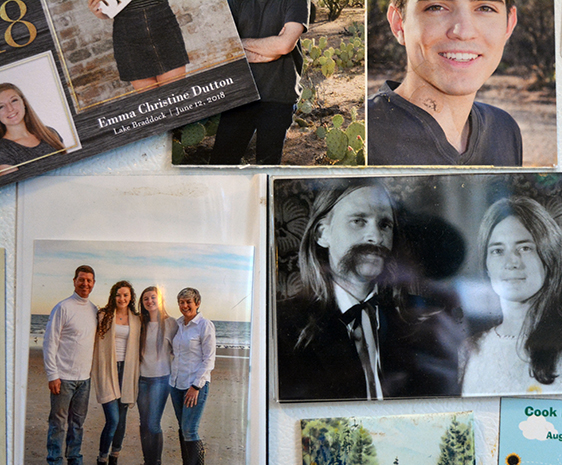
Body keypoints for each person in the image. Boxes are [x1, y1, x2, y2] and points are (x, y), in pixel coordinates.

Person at [277, 182, 463, 402]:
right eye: (358, 221)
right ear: (322, 234)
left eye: (385, 225)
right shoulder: (284, 326)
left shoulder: (417, 319)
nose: (375, 237)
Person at [460, 196, 562, 395]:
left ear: (549, 256)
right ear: (486, 264)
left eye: (525, 248)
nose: (512, 262)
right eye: (497, 250)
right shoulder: (473, 349)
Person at [367, 0, 522, 166]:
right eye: (436, 7)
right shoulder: (363, 135)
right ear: (399, 23)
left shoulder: (504, 131)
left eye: (486, 8)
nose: (463, 32)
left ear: (509, 25)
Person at [208, 0, 309, 165]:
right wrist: (268, 49)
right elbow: (220, 43)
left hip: (279, 94)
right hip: (241, 93)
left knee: (267, 165)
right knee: (222, 164)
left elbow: (284, 45)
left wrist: (240, 47)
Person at [43, 265, 98, 465]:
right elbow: (49, 342)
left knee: (77, 425)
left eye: (89, 280)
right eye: (81, 280)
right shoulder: (62, 307)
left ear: (94, 283)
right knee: (58, 425)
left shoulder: (94, 310)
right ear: (74, 281)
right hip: (62, 378)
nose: (85, 284)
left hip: (84, 379)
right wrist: (52, 375)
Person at [91, 281, 141, 465]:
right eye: (119, 295)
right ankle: (101, 462)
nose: (122, 299)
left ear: (131, 298)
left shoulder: (137, 320)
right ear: (113, 296)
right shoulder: (104, 316)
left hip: (127, 372)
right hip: (108, 370)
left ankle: (114, 459)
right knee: (112, 419)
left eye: (126, 295)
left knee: (122, 420)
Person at [169, 288, 215, 465]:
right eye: (180, 302)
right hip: (176, 384)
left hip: (194, 386)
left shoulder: (205, 326)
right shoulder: (178, 324)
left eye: (188, 301)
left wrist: (196, 386)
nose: (184, 305)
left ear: (197, 302)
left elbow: (208, 360)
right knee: (182, 428)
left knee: (190, 430)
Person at [88, 0, 189, 90]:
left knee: (175, 97)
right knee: (152, 103)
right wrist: (100, 10)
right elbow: (105, 9)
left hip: (162, 23)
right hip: (128, 32)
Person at [136, 286, 176, 465]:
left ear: (160, 300)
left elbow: (182, 349)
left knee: (153, 423)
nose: (150, 301)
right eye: (146, 298)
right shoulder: (139, 323)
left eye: (153, 297)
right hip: (142, 380)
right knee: (143, 424)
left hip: (161, 380)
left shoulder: (170, 324)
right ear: (142, 303)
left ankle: (156, 464)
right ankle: (146, 462)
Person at [0, 83, 65, 175]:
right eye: (1, 106)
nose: (10, 109)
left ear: (24, 102)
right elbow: (17, 187)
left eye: (14, 100)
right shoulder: (2, 149)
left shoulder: (50, 133)